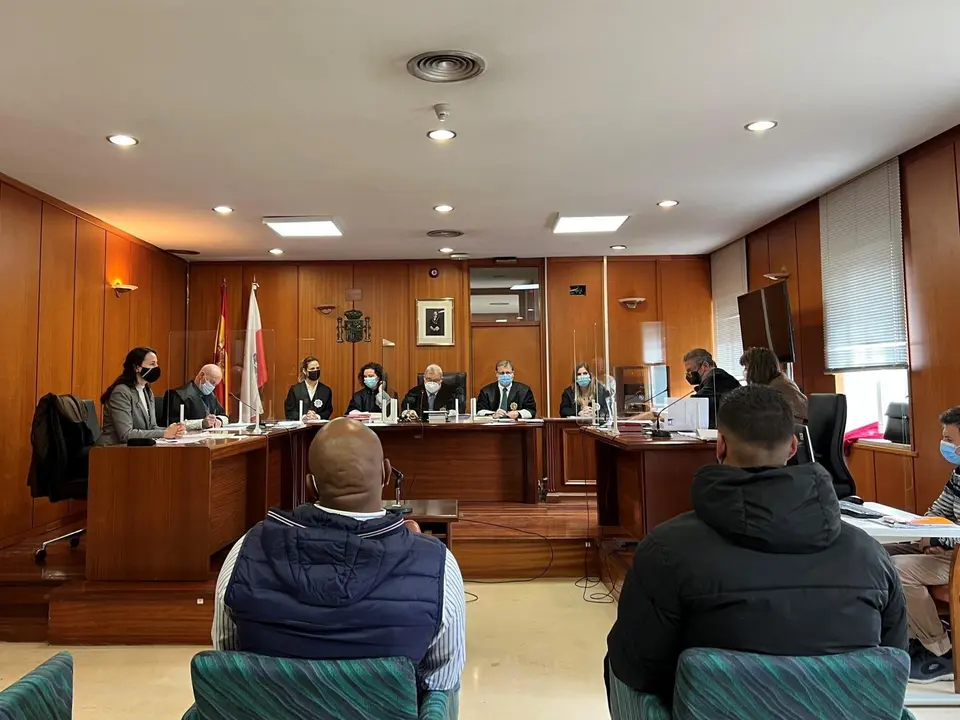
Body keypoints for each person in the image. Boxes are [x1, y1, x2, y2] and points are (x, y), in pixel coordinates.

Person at [606, 385, 907, 706]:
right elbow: (893, 659)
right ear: (793, 447)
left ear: (720, 445)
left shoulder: (665, 549)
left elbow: (638, 667)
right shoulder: (870, 554)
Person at [213, 418, 465, 693]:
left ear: (311, 486)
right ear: (385, 474)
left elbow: (227, 661)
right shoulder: (437, 565)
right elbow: (440, 683)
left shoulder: (246, 551)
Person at [889, 406, 960, 683]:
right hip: (950, 548)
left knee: (899, 569)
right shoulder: (958, 474)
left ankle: (942, 652)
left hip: (956, 555)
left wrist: (938, 539)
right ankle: (906, 638)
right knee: (877, 555)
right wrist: (926, 533)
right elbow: (937, 511)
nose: (944, 445)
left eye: (950, 440)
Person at [98, 347, 185, 446]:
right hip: (112, 448)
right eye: (152, 364)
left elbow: (151, 427)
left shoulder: (147, 391)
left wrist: (172, 430)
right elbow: (126, 434)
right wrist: (164, 433)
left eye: (156, 364)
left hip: (137, 448)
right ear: (137, 368)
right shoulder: (121, 392)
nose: (156, 367)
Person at [740, 346, 808, 422]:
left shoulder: (777, 388)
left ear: (758, 369)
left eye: (746, 368)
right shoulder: (778, 381)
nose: (745, 372)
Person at [682, 348, 741, 428]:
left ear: (705, 366)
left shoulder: (718, 378)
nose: (689, 375)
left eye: (690, 371)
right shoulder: (711, 380)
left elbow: (696, 403)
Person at [165, 363, 229, 429]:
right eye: (212, 382)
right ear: (202, 375)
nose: (213, 387)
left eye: (215, 385)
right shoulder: (178, 395)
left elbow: (224, 415)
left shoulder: (211, 396)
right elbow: (173, 424)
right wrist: (201, 423)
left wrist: (219, 420)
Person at [284, 356, 333, 421]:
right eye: (312, 369)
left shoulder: (326, 390)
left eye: (317, 368)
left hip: (319, 426)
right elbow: (290, 411)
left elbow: (328, 410)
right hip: (300, 426)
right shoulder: (295, 390)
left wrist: (317, 416)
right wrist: (304, 417)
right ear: (304, 371)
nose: (315, 370)